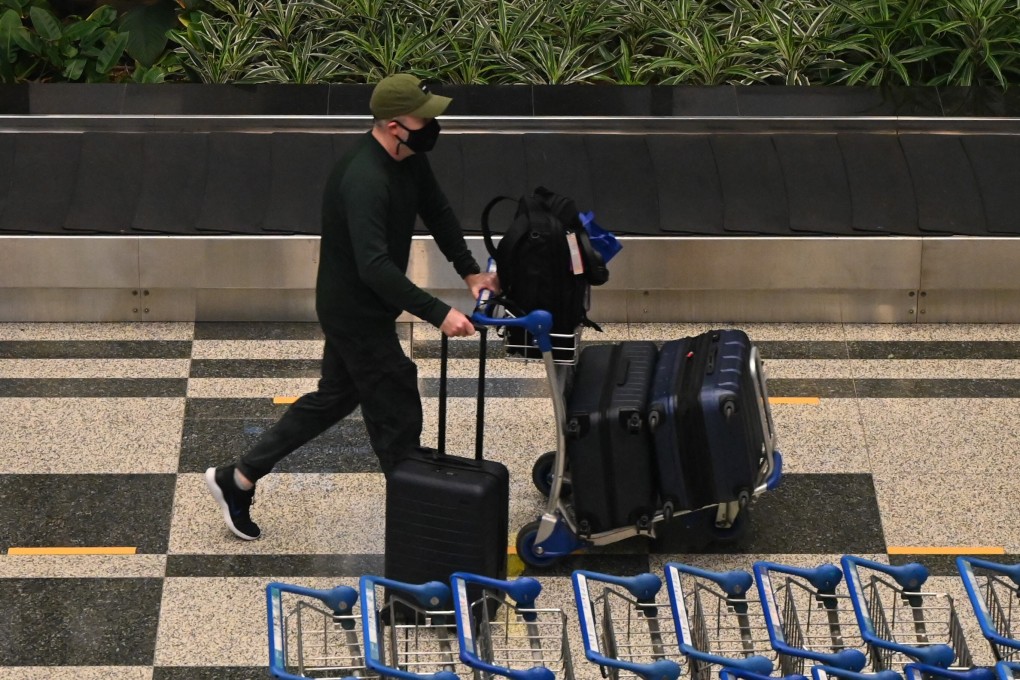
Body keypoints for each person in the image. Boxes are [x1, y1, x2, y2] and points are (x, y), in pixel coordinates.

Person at [205, 74, 499, 541]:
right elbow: (374, 266)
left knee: (335, 397)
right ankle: (417, 522)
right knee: (397, 407)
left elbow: (438, 212)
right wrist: (438, 312)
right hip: (354, 310)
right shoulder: (365, 178)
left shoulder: (408, 157)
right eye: (424, 118)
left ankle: (237, 478)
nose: (432, 126)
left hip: (367, 305)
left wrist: (470, 272)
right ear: (393, 125)